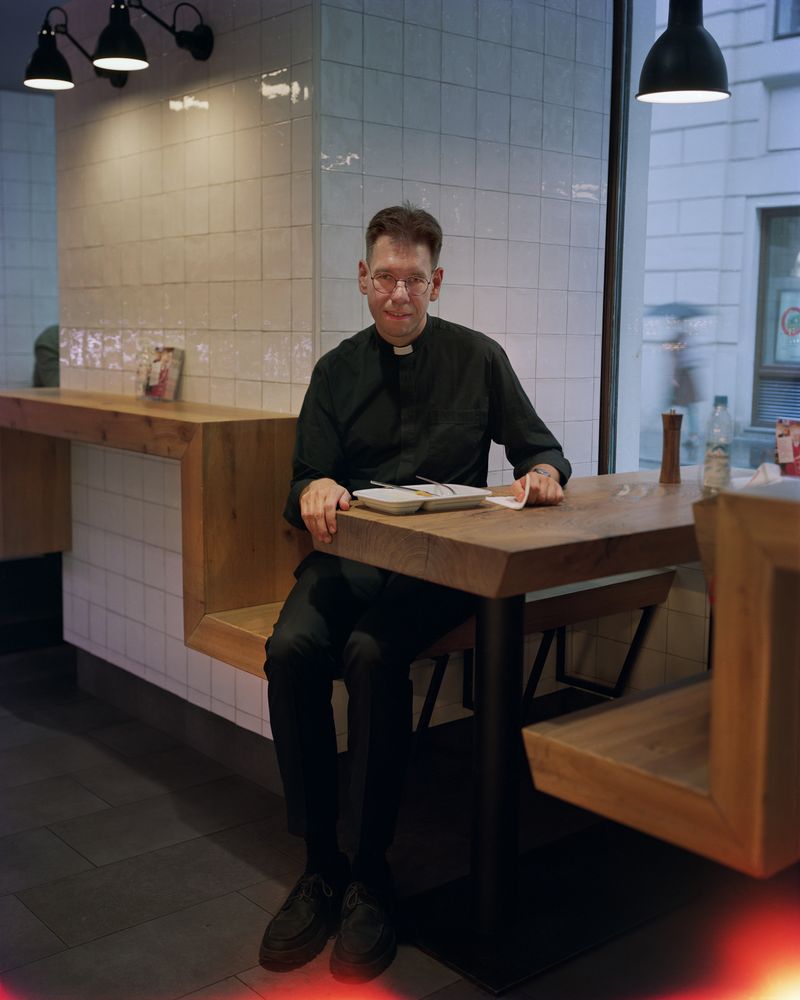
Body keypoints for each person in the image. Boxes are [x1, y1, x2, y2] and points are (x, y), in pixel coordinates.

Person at [260, 204, 571, 983]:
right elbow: (304, 477)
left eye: (415, 279)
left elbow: (540, 447)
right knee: (291, 647)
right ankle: (319, 863)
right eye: (386, 277)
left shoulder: (478, 357)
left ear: (437, 281)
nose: (400, 293)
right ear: (363, 279)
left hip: (439, 569)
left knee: (371, 653)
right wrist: (318, 484)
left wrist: (543, 474)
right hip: (350, 561)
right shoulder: (335, 370)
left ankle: (371, 874)